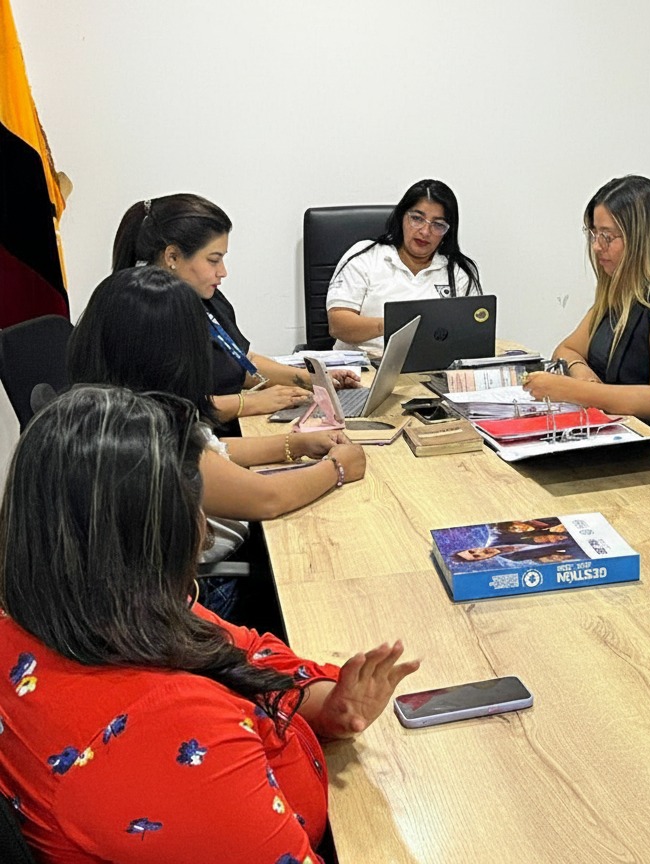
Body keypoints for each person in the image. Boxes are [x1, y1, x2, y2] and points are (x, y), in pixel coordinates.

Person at [0, 385, 420, 863]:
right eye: (194, 505)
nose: (202, 530)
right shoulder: (169, 734)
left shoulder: (85, 608)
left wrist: (326, 704)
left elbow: (247, 650)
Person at [68, 267, 367, 619]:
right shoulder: (148, 441)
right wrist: (338, 468)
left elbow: (214, 452)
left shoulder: (108, 409)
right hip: (205, 593)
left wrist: (296, 445)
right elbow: (267, 498)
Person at [522, 175, 650, 468]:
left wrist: (572, 390)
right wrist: (583, 375)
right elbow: (567, 349)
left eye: (607, 237)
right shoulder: (621, 293)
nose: (597, 247)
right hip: (625, 442)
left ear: (643, 239)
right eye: (593, 234)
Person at [112, 193, 361, 424]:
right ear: (173, 257)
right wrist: (250, 402)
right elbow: (166, 411)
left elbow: (243, 361)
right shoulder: (143, 314)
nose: (223, 272)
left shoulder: (207, 298)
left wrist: (316, 380)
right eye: (213, 260)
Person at [326, 179, 481, 354]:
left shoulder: (458, 271)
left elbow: (472, 333)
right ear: (401, 217)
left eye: (438, 225)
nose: (425, 231)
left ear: (447, 231)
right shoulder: (366, 256)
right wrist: (396, 325)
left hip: (431, 366)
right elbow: (338, 324)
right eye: (417, 219)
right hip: (363, 364)